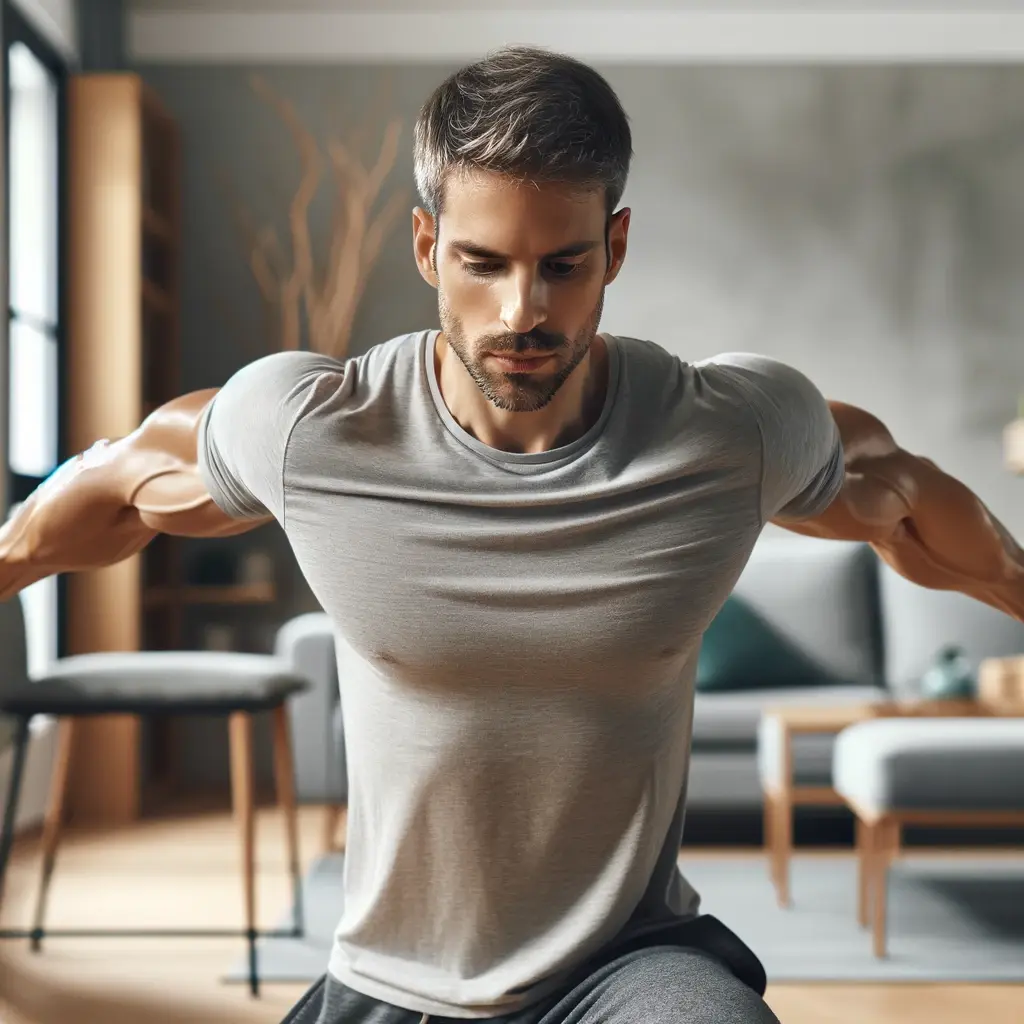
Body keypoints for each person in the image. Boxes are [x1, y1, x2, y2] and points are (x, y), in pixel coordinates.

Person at [1, 45, 1023, 1024]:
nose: (522, 310)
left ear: (615, 246)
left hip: (631, 965)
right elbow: (116, 484)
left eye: (563, 265)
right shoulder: (316, 430)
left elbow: (902, 497)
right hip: (388, 979)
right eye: (481, 264)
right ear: (425, 246)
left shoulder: (729, 432)